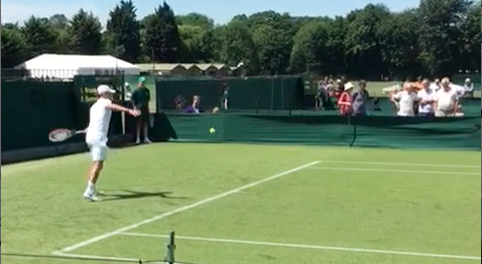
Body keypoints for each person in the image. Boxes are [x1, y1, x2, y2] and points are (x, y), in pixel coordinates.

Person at [83, 85, 140, 202]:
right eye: (109, 93)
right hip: (98, 138)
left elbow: (94, 122)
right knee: (98, 164)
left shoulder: (94, 106)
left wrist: (88, 129)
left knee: (96, 163)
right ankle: (89, 191)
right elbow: (112, 106)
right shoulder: (105, 102)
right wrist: (128, 110)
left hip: (90, 136)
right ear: (104, 94)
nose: (111, 95)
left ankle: (91, 188)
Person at [131, 76, 152, 144]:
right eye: (141, 82)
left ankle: (146, 138)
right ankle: (138, 138)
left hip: (145, 108)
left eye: (143, 82)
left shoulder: (147, 90)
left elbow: (148, 99)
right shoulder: (136, 91)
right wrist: (135, 107)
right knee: (139, 123)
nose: (142, 83)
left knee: (145, 123)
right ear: (139, 82)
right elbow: (133, 100)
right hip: (138, 108)